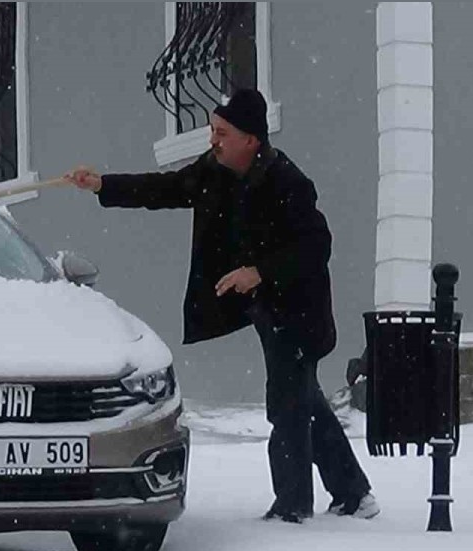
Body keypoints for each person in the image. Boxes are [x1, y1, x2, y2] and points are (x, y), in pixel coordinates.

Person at [64, 88, 378, 523]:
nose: (213, 140)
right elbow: (168, 187)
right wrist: (103, 184)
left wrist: (260, 271)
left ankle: (292, 510)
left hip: (299, 310)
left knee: (287, 407)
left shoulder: (287, 182)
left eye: (222, 132)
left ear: (251, 139)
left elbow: (315, 246)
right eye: (213, 131)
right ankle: (354, 494)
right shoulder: (216, 171)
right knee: (303, 399)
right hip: (266, 309)